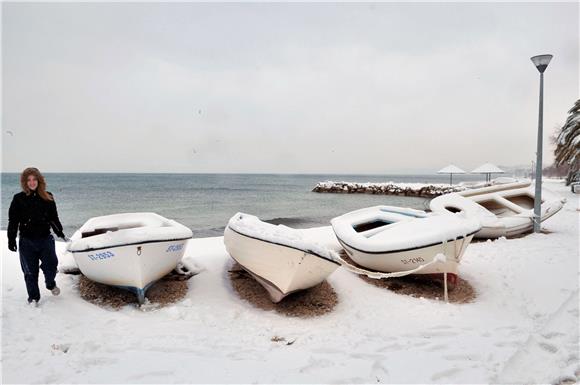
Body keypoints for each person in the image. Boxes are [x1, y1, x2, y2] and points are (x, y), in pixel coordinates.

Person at [7, 167, 66, 305]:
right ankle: (33, 297)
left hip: (45, 239)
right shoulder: (18, 199)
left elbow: (53, 218)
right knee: (30, 272)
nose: (32, 182)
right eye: (28, 180)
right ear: (24, 182)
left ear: (39, 180)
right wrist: (11, 239)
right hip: (27, 241)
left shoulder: (48, 196)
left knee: (51, 265)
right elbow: (13, 221)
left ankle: (50, 283)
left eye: (34, 179)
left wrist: (60, 232)